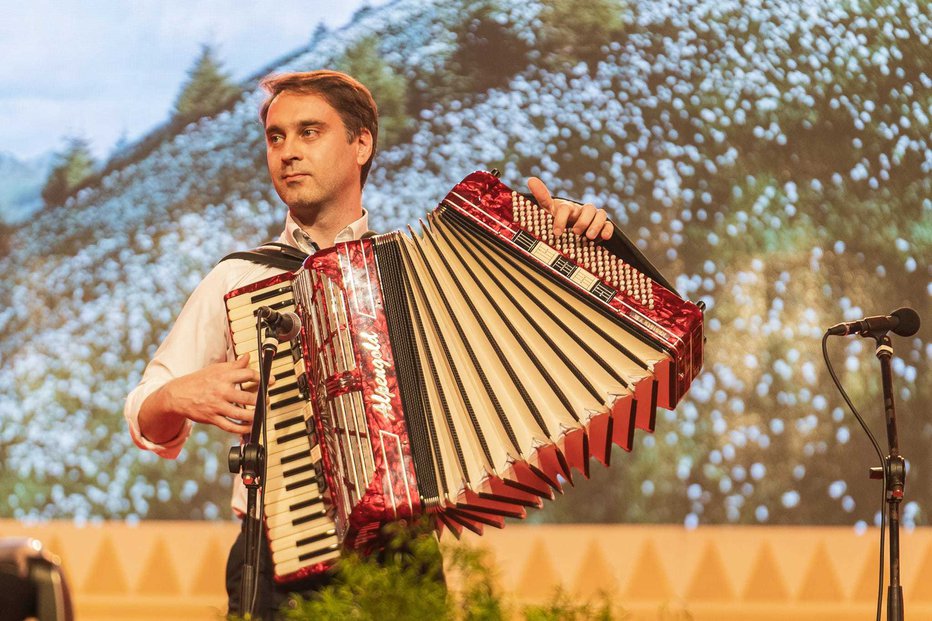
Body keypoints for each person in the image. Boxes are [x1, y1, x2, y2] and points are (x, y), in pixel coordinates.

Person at [123, 69, 615, 618]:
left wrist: (570, 244)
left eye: (309, 132)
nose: (287, 152)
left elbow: (533, 343)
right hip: (277, 566)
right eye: (275, 136)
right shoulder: (239, 279)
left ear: (362, 144)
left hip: (403, 554)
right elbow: (146, 413)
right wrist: (176, 396)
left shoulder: (429, 272)